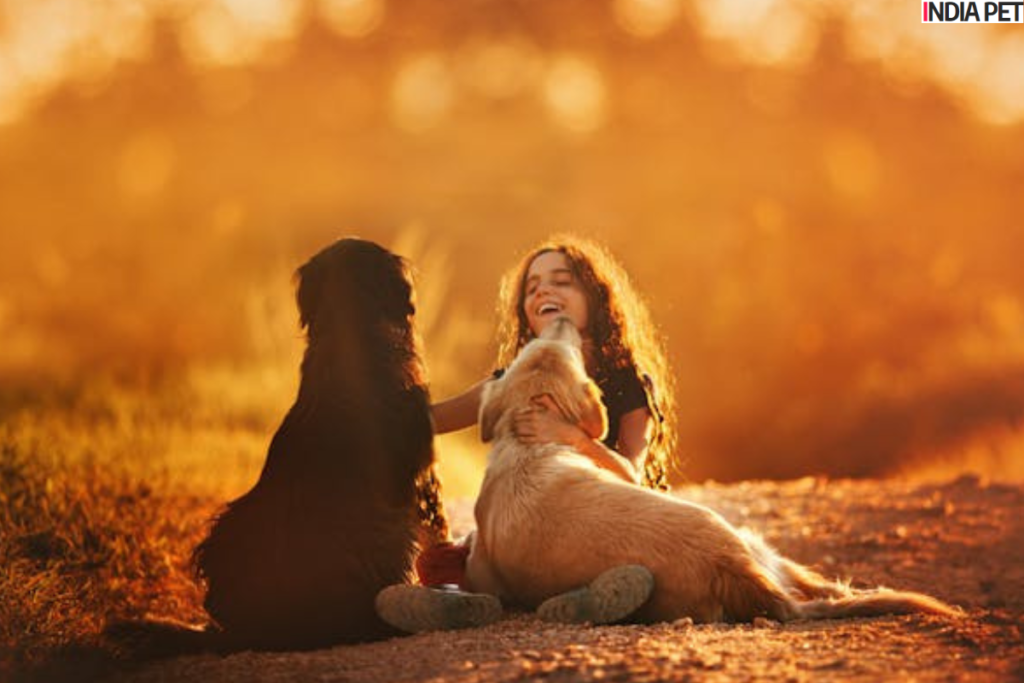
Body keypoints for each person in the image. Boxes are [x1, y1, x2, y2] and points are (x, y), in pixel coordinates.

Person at [376, 235, 677, 631]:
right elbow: (426, 423)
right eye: (532, 287)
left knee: (640, 569)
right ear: (526, 315)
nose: (544, 290)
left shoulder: (627, 384)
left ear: (595, 297)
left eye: (562, 280)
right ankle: (463, 602)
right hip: (526, 540)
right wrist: (370, 390)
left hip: (594, 532)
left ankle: (575, 598)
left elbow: (632, 477)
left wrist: (572, 437)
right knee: (444, 560)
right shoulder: (511, 382)